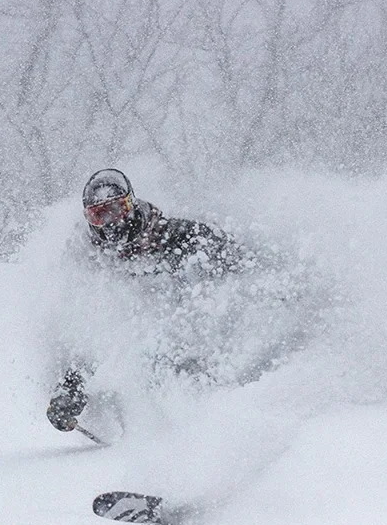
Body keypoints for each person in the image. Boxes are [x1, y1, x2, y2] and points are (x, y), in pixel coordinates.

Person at [46, 168, 247, 432]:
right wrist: (70, 390)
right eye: (98, 215)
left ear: (130, 205)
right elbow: (86, 332)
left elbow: (239, 264)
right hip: (141, 351)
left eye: (116, 209)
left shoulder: (178, 236)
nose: (110, 223)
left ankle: (215, 414)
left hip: (193, 342)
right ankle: (146, 426)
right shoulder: (89, 261)